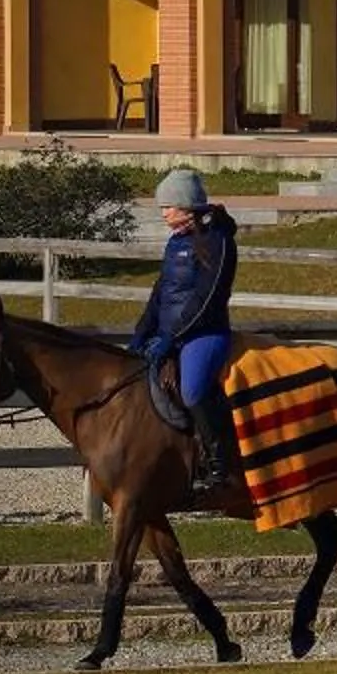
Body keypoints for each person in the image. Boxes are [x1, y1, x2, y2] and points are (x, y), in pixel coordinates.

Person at [130, 167, 239, 497]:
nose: (163, 213)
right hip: (170, 334)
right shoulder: (175, 241)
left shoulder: (217, 241)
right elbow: (161, 292)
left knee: (191, 390)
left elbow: (207, 297)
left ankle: (220, 466)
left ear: (186, 205)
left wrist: (172, 338)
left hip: (204, 334)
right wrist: (142, 332)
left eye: (168, 206)